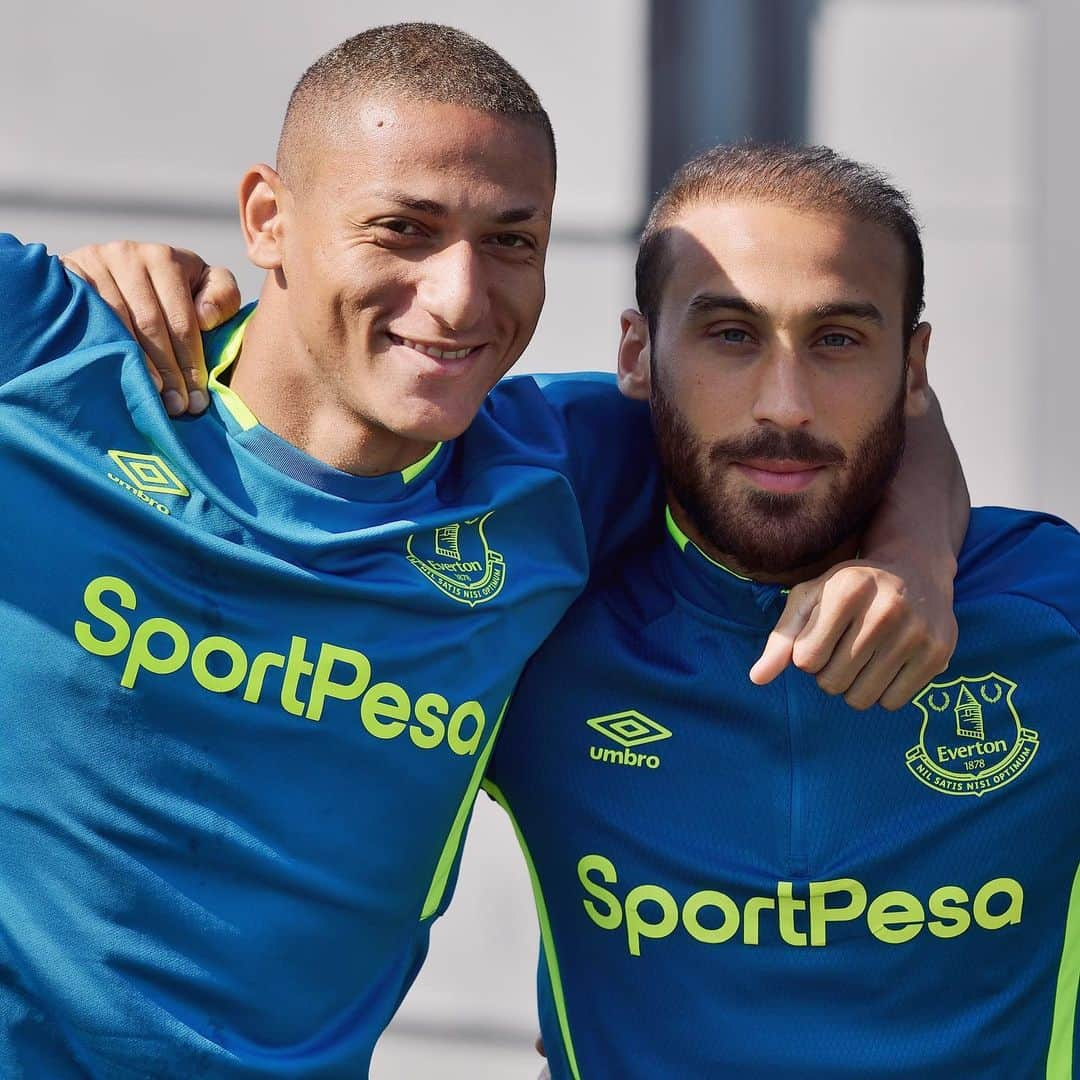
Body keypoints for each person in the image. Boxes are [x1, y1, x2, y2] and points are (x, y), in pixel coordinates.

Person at [2, 24, 963, 1079]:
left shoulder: (559, 470)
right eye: (404, 229)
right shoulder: (53, 353)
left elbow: (847, 396)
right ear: (268, 220)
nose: (461, 297)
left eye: (512, 241)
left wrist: (915, 558)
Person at [486, 142, 1080, 1079]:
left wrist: (921, 558)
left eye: (838, 339)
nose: (786, 404)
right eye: (731, 334)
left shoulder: (1053, 615)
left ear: (914, 366)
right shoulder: (530, 621)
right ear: (637, 353)